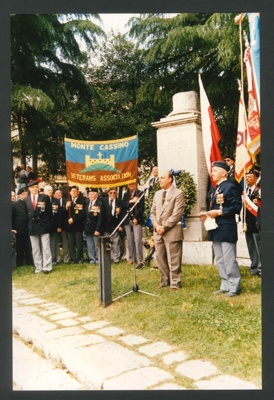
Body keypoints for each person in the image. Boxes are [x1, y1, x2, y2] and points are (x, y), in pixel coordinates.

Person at [201, 161, 243, 297]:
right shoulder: (216, 189)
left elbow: (237, 207)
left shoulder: (230, 187)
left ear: (223, 172)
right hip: (215, 228)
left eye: (214, 171)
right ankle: (225, 285)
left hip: (226, 228)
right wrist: (207, 214)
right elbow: (215, 207)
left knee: (229, 259)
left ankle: (234, 287)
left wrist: (219, 213)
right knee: (219, 258)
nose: (212, 173)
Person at [150, 170, 185, 291]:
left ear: (170, 179)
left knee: (174, 258)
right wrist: (156, 226)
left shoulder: (178, 193)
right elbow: (152, 212)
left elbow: (177, 214)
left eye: (162, 178)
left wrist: (164, 227)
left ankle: (175, 282)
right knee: (160, 257)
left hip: (171, 231)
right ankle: (165, 280)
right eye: (159, 178)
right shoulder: (157, 194)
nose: (159, 180)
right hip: (158, 231)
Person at [24, 179, 53, 274]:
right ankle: (38, 267)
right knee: (35, 248)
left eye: (36, 187)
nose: (35, 189)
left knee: (46, 247)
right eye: (33, 187)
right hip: (32, 226)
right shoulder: (26, 200)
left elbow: (49, 212)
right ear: (29, 189)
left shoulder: (44, 197)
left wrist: (48, 223)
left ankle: (47, 267)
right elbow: (26, 214)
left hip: (43, 225)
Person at [244, 166, 262, 276]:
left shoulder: (259, 190)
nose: (246, 177)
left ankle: (261, 268)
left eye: (249, 176)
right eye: (245, 176)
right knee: (251, 246)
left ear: (256, 177)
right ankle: (254, 266)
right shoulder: (246, 191)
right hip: (248, 224)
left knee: (259, 246)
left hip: (257, 223)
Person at [98, 187, 124, 263]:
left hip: (115, 224)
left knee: (116, 242)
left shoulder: (119, 201)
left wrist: (120, 225)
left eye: (114, 193)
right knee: (107, 243)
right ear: (108, 193)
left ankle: (116, 258)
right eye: (111, 193)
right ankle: (107, 258)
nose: (112, 194)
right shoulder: (103, 201)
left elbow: (122, 215)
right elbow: (101, 215)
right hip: (106, 225)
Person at [122, 182, 144, 265]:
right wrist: (131, 201)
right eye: (129, 184)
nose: (131, 186)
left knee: (137, 240)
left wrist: (136, 218)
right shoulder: (126, 194)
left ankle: (140, 259)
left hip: (136, 220)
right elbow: (123, 204)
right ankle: (131, 258)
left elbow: (142, 207)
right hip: (128, 219)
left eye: (132, 184)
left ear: (136, 185)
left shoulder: (140, 193)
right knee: (129, 240)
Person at [12, 187, 33, 267]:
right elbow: (12, 217)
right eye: (23, 194)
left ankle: (29, 261)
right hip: (18, 229)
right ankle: (19, 263)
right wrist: (12, 228)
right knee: (19, 247)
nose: (25, 196)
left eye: (26, 194)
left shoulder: (29, 203)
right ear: (19, 195)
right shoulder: (15, 205)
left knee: (28, 247)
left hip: (28, 229)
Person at [65, 185, 85, 264]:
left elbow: (82, 214)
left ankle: (80, 258)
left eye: (75, 191)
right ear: (69, 192)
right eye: (72, 191)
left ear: (78, 192)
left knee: (79, 243)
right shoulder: (67, 201)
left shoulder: (82, 201)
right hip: (69, 227)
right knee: (71, 243)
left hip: (78, 226)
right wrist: (66, 207)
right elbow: (63, 213)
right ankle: (73, 258)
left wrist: (74, 219)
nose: (73, 192)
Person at [44, 185, 62, 266]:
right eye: (48, 190)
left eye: (51, 190)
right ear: (45, 191)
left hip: (54, 225)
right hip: (45, 225)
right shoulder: (41, 200)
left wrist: (59, 226)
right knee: (45, 244)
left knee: (54, 243)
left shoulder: (56, 200)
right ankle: (46, 260)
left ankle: (53, 259)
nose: (50, 192)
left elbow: (59, 215)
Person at [84, 188, 101, 264]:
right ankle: (92, 259)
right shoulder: (87, 202)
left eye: (92, 194)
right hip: (88, 227)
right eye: (89, 194)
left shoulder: (100, 203)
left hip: (95, 228)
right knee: (90, 244)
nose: (90, 195)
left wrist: (98, 229)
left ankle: (98, 258)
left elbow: (100, 218)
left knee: (96, 244)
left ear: (96, 194)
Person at [53, 188, 70, 263]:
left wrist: (66, 207)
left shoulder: (66, 201)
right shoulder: (52, 202)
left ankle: (66, 259)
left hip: (65, 226)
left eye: (59, 193)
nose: (58, 194)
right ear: (54, 195)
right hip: (56, 226)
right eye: (56, 193)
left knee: (65, 243)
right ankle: (58, 258)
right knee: (56, 243)